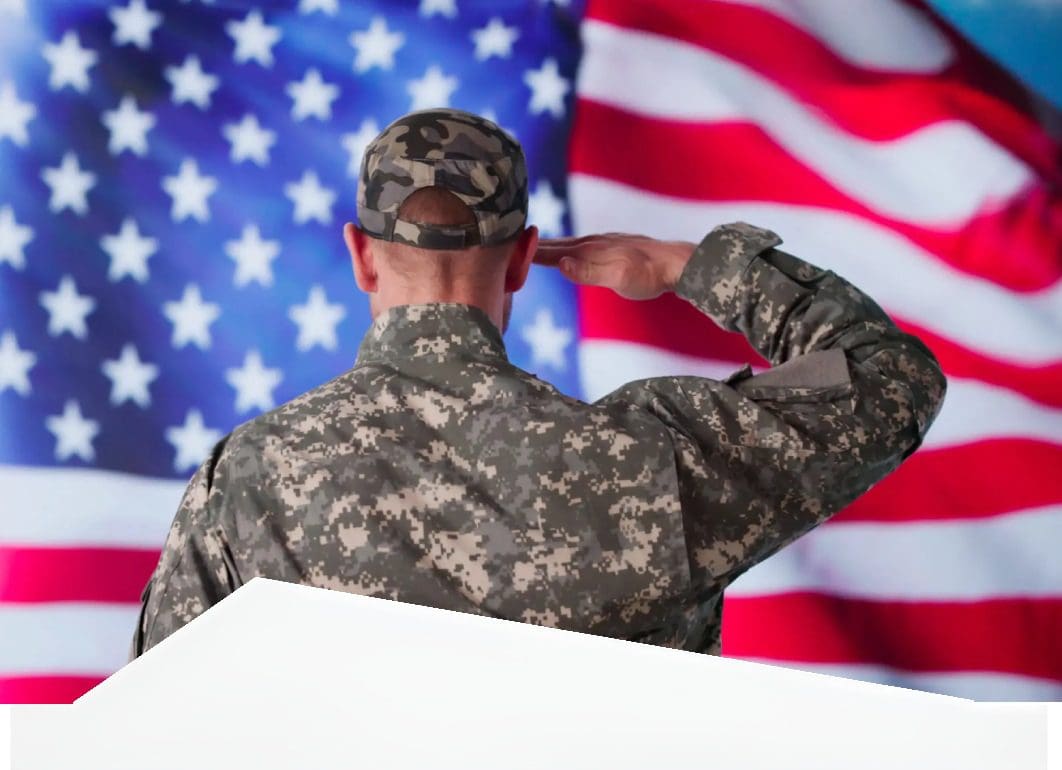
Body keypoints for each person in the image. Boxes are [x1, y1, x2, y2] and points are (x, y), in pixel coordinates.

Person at [129, 108, 946, 659]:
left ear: (359, 253)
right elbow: (889, 377)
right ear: (524, 259)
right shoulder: (650, 462)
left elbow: (153, 727)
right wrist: (688, 266)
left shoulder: (251, 477)